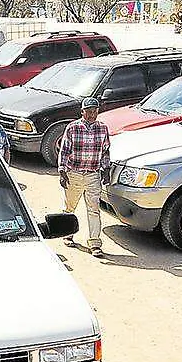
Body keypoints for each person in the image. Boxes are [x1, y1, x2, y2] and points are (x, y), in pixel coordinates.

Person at [58, 97, 111, 258]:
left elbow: (106, 151)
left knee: (93, 209)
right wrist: (62, 170)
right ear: (82, 112)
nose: (91, 115)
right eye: (88, 112)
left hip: (93, 174)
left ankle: (95, 244)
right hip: (74, 173)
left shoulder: (102, 128)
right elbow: (65, 150)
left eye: (94, 112)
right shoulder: (73, 128)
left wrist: (106, 169)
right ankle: (68, 234)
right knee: (70, 207)